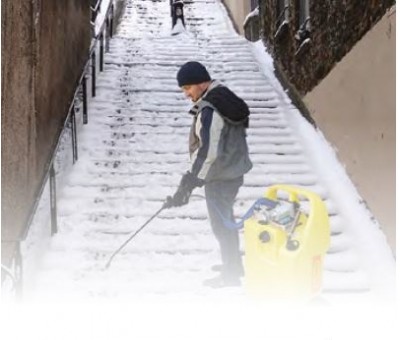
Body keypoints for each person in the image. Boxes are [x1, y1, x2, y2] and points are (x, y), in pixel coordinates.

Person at [164, 61, 253, 288]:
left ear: (202, 83)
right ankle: (233, 264)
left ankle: (231, 275)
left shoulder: (210, 109)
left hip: (221, 176)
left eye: (188, 88)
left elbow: (207, 151)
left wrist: (189, 182)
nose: (186, 94)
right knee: (227, 220)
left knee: (221, 225)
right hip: (232, 171)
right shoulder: (223, 97)